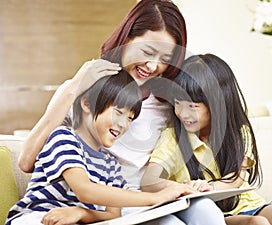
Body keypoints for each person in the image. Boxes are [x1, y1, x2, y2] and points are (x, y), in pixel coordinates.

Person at [17, 0, 228, 224]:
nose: (152, 66)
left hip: (147, 200)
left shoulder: (167, 103)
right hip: (110, 206)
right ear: (126, 38)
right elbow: (27, 162)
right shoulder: (85, 93)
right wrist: (74, 86)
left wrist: (181, 187)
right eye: (148, 51)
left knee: (207, 210)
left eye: (165, 59)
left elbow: (162, 165)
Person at [6, 69, 196, 225]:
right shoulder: (63, 137)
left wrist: (79, 212)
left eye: (130, 118)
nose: (123, 124)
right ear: (87, 104)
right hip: (38, 217)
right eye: (118, 112)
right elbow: (84, 190)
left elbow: (113, 215)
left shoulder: (111, 164)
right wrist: (156, 198)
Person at [141, 53, 272, 225]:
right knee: (258, 223)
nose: (183, 113)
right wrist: (182, 188)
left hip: (248, 204)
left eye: (192, 106)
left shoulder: (238, 131)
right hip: (213, 215)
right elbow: (149, 181)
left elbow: (237, 177)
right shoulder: (173, 138)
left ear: (217, 103)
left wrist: (211, 187)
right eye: (178, 103)